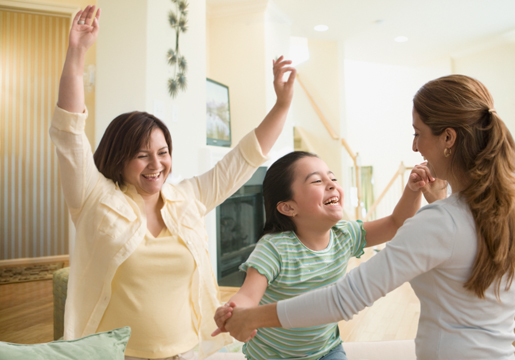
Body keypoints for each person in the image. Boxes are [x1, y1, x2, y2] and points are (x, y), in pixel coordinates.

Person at [50, 5, 296, 360]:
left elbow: (245, 158)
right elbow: (69, 133)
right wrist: (77, 53)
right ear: (120, 158)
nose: (157, 165)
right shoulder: (94, 198)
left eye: (163, 152)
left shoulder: (187, 199)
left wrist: (282, 104)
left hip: (184, 353)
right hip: (116, 354)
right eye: (142, 155)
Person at [218, 74, 515, 360]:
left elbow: (345, 297)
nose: (415, 146)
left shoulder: (432, 223)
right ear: (287, 206)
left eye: (418, 133)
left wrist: (252, 318)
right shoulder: (501, 209)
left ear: (448, 138)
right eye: (316, 180)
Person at [212, 150, 441, 360]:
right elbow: (248, 295)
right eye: (317, 181)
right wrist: (233, 311)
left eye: (332, 178)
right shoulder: (274, 248)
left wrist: (412, 191)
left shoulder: (345, 235)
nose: (331, 184)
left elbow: (396, 223)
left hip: (326, 351)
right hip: (272, 356)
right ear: (288, 207)